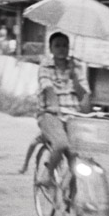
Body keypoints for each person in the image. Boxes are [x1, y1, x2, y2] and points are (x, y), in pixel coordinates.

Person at [35, 32, 91, 188]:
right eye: (57, 45)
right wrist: (54, 106)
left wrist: (73, 76)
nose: (62, 49)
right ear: (51, 49)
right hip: (50, 114)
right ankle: (47, 174)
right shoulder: (45, 66)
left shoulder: (78, 67)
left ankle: (74, 203)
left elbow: (83, 97)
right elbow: (47, 87)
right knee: (60, 144)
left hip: (73, 116)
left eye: (65, 45)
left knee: (78, 158)